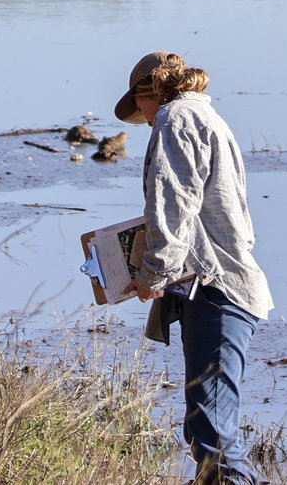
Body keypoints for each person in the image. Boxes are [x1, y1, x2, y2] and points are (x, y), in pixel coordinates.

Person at [116, 51, 274, 485]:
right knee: (205, 426)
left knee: (213, 437)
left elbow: (174, 206)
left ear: (150, 94)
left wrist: (151, 276)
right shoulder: (202, 116)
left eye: (140, 110)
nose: (144, 121)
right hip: (215, 289)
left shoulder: (175, 119)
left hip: (217, 290)